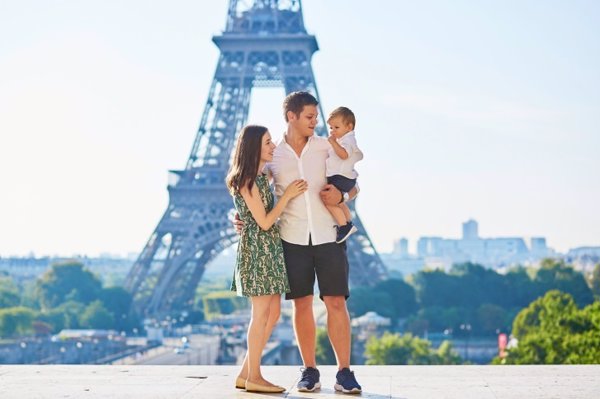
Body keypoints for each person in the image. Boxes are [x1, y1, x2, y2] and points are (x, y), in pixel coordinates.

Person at [234, 92, 363, 394]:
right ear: (291, 116)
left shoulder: (326, 147)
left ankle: (344, 372)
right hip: (290, 238)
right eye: (309, 117)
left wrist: (342, 197)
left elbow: (354, 183)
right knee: (301, 305)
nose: (315, 123)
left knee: (335, 302)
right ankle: (310, 370)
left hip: (329, 234)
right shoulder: (272, 154)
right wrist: (238, 217)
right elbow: (249, 188)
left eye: (317, 118)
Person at [225, 124, 308, 393]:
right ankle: (255, 377)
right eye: (268, 143)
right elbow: (264, 221)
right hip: (258, 251)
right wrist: (287, 197)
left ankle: (246, 372)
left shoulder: (259, 176)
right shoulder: (247, 181)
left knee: (272, 314)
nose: (273, 146)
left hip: (269, 250)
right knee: (260, 315)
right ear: (253, 149)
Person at [325, 106, 363, 243]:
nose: (332, 131)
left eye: (336, 127)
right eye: (331, 128)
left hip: (341, 177)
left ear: (349, 127)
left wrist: (332, 143)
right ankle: (348, 223)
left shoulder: (347, 140)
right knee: (340, 203)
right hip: (344, 178)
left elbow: (344, 155)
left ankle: (344, 226)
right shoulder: (344, 139)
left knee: (329, 201)